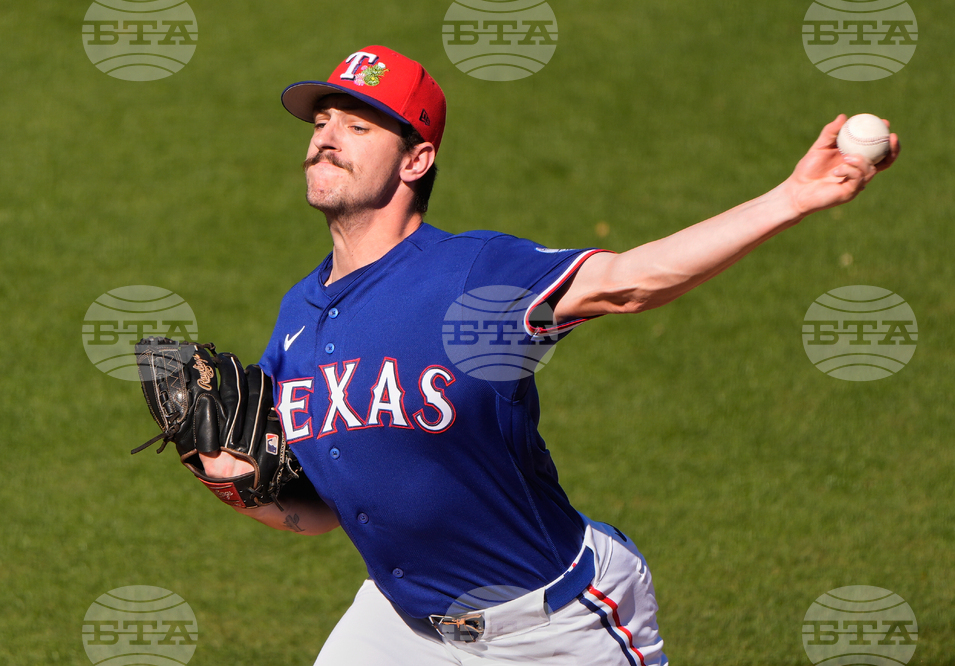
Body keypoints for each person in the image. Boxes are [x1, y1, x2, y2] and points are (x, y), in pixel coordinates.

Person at [199, 45, 899, 665]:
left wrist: (791, 198)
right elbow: (326, 508)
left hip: (552, 628)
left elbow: (625, 284)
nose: (326, 139)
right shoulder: (299, 316)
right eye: (321, 122)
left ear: (416, 159)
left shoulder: (469, 277)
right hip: (400, 627)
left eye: (358, 126)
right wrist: (236, 484)